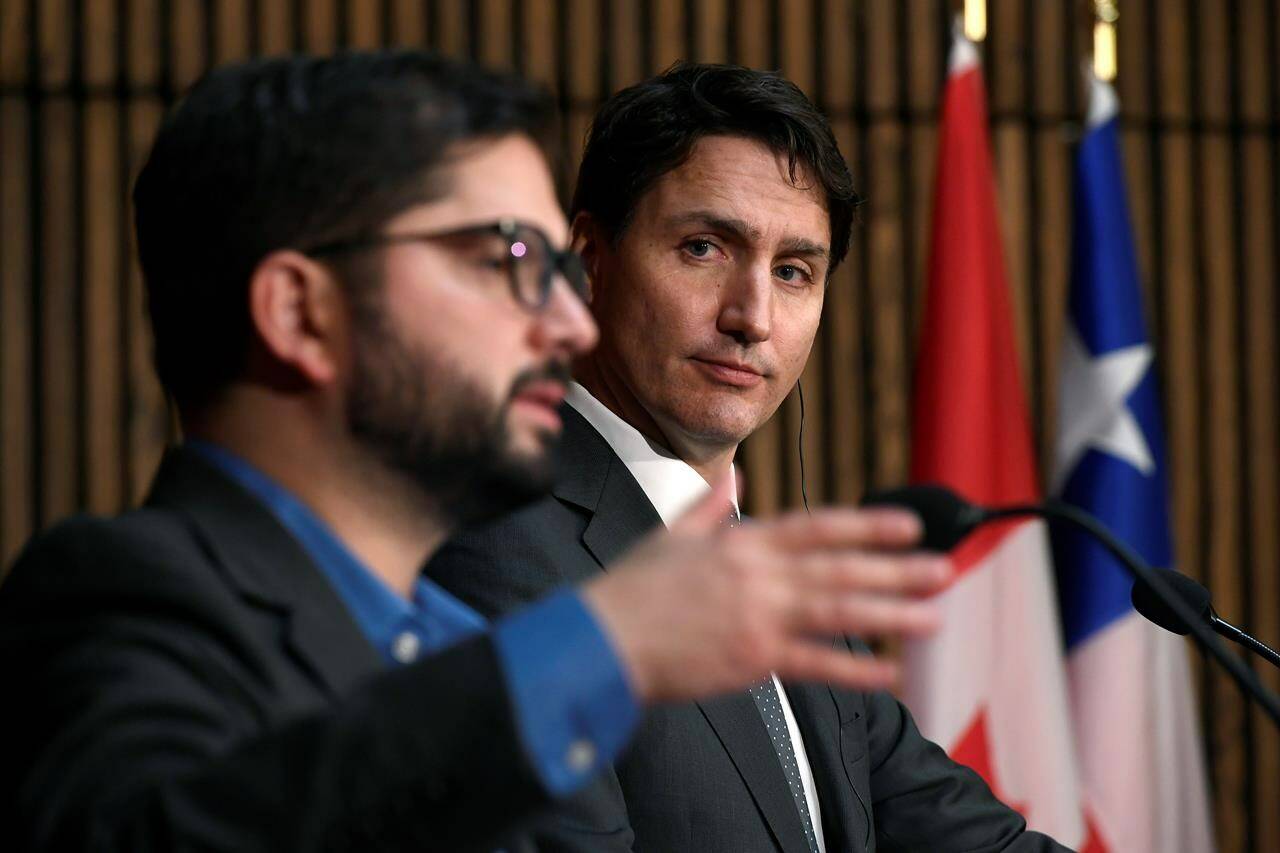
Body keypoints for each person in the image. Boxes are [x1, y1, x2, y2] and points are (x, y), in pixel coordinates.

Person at [0, 52, 954, 853]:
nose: (564, 318)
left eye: (552, 266)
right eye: (506, 263)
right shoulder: (113, 598)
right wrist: (605, 645)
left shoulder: (458, 643)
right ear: (301, 311)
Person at [428, 62, 1071, 852]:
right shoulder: (498, 541)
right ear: (589, 259)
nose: (753, 317)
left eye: (793, 271)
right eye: (703, 247)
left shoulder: (778, 589)